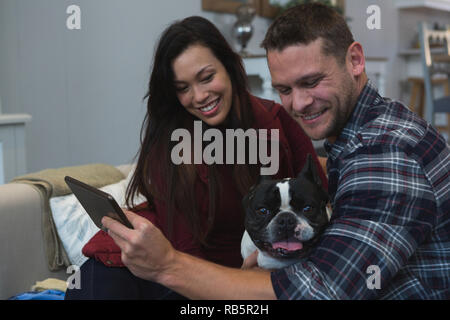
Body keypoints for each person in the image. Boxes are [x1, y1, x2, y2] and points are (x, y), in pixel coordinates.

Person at [93, 4, 450, 300]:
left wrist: (168, 265)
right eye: (284, 88)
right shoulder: (356, 138)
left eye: (311, 82)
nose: (300, 103)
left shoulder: (383, 154)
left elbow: (321, 290)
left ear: (355, 60)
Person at [64, 15, 326, 300]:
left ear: (229, 66)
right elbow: (181, 254)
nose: (199, 96)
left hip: (228, 273)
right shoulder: (171, 139)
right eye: (183, 88)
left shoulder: (276, 122)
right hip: (165, 266)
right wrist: (240, 283)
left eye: (207, 77)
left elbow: (320, 202)